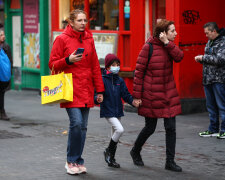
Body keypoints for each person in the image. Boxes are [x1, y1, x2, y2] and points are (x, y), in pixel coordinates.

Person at [48, 9, 104, 175]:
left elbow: (94, 65)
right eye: (79, 20)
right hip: (69, 89)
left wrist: (99, 90)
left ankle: (78, 160)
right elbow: (51, 64)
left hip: (86, 88)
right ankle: (71, 160)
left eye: (85, 20)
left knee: (83, 127)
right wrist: (68, 60)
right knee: (77, 123)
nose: (83, 23)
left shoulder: (89, 38)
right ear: (71, 22)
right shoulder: (61, 39)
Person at [130, 19, 184, 172]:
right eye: (172, 31)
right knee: (150, 127)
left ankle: (170, 161)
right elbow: (138, 73)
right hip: (151, 94)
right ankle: (135, 150)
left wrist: (167, 43)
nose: (175, 33)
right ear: (163, 33)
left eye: (174, 30)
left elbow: (179, 57)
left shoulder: (169, 46)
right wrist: (137, 96)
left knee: (171, 128)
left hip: (168, 93)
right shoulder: (148, 47)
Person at [96, 54, 140, 168]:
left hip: (118, 111)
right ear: (107, 67)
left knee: (114, 135)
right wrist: (97, 98)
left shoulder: (120, 80)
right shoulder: (102, 80)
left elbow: (125, 94)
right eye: (113, 65)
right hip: (108, 110)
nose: (116, 67)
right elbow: (96, 94)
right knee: (120, 130)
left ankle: (111, 159)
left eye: (118, 65)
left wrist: (133, 102)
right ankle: (108, 151)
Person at [195, 22, 225, 139]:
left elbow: (221, 59)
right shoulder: (210, 41)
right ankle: (213, 129)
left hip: (219, 79)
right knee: (211, 106)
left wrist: (204, 58)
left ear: (214, 31)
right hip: (208, 79)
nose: (206, 35)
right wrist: (202, 60)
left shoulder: (223, 42)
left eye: (207, 33)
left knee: (222, 106)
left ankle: (223, 130)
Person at [0, 29, 13, 120]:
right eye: (1, 35)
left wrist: (9, 73)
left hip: (3, 75)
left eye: (3, 34)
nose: (3, 36)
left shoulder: (6, 46)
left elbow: (9, 62)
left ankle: (2, 111)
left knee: (1, 93)